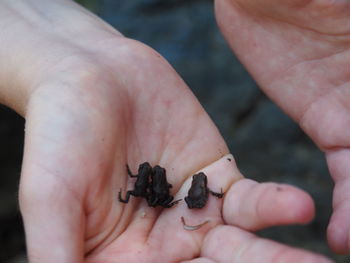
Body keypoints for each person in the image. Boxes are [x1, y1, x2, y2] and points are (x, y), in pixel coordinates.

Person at [0, 0, 345, 262]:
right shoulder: (152, 180)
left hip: (173, 196)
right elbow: (145, 183)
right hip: (170, 196)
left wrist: (57, 54)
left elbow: (152, 184)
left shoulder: (163, 182)